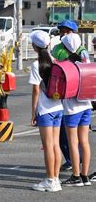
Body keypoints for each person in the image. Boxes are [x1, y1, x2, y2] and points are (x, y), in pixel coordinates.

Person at [29, 30, 63, 192]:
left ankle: (50, 180)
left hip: (45, 109)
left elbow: (36, 91)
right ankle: (55, 179)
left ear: (35, 46)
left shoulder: (36, 65)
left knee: (48, 146)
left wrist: (34, 112)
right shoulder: (55, 61)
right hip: (58, 107)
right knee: (55, 144)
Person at [58, 33, 93, 187]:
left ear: (65, 47)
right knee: (84, 141)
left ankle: (76, 176)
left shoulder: (65, 64)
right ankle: (85, 176)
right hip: (86, 105)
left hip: (72, 108)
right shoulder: (86, 61)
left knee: (73, 142)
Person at [52, 20, 80, 172]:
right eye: (62, 30)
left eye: (67, 31)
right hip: (62, 95)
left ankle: (75, 163)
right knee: (65, 134)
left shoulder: (81, 50)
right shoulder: (57, 48)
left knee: (71, 134)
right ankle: (72, 160)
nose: (64, 33)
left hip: (75, 98)